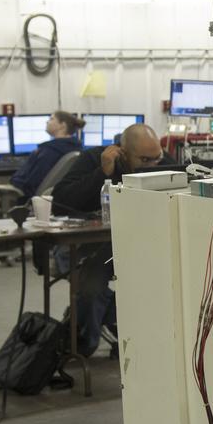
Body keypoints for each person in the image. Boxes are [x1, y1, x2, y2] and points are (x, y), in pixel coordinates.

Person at [51, 123, 162, 357]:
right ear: (122, 152)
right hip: (93, 243)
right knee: (92, 287)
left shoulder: (161, 162)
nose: (153, 166)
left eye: (157, 158)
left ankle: (140, 332)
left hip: (139, 243)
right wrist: (102, 173)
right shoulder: (94, 159)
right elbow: (61, 200)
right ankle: (83, 345)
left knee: (160, 283)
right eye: (144, 160)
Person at [10, 111, 85, 199]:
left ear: (62, 125)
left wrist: (13, 181)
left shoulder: (49, 151)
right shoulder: (76, 148)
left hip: (27, 198)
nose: (47, 122)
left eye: (51, 119)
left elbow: (31, 183)